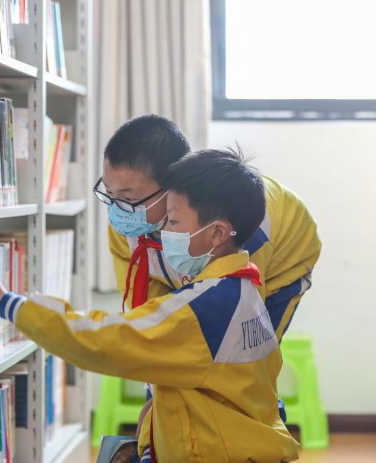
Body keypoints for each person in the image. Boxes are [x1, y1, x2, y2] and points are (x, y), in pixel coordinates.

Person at [0, 149, 300, 462]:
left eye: (173, 221)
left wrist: (9, 303)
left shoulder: (205, 307)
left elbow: (105, 339)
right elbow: (214, 391)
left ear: (216, 233)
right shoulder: (245, 289)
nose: (164, 233)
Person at [96, 114, 321, 426]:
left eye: (128, 198)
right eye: (108, 193)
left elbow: (234, 322)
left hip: (278, 269)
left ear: (172, 188)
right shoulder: (126, 224)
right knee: (167, 368)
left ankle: (262, 438)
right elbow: (146, 315)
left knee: (244, 371)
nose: (115, 208)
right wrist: (155, 393)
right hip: (196, 265)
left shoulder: (236, 229)